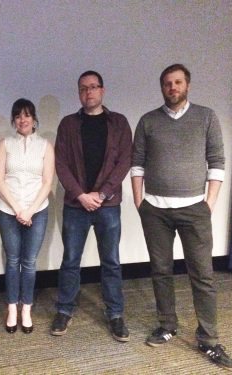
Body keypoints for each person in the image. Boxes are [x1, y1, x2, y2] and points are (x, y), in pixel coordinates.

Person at [131, 64, 232, 370]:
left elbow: (216, 161)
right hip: (155, 210)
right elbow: (137, 163)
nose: (172, 87)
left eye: (178, 82)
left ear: (187, 85)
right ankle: (167, 325)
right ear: (162, 87)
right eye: (167, 83)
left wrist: (209, 204)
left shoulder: (206, 117)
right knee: (160, 271)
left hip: (194, 210)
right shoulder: (148, 121)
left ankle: (209, 339)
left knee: (202, 275)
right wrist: (140, 201)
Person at [51, 71, 132, 342]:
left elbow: (124, 161)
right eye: (84, 88)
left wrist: (102, 193)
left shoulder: (119, 123)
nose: (89, 92)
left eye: (94, 87)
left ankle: (116, 314)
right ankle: (64, 309)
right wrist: (81, 195)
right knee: (70, 261)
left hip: (109, 205)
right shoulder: (68, 124)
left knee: (111, 261)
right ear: (79, 93)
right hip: (76, 205)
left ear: (103, 90)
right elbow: (60, 163)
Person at [0, 98, 55, 334]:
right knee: (12, 260)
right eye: (18, 115)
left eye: (27, 115)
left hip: (37, 211)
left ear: (34, 118)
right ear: (14, 120)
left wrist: (29, 210)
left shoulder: (45, 145)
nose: (23, 120)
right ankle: (12, 308)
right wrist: (18, 209)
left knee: (29, 263)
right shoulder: (5, 144)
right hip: (8, 210)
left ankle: (26, 309)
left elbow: (48, 181)